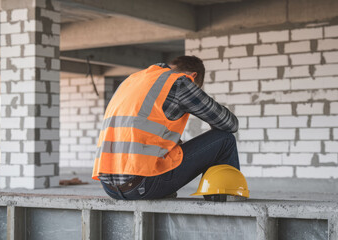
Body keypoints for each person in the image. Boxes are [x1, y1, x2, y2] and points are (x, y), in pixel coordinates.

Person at [92, 55, 239, 200]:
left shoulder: (131, 81)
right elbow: (230, 124)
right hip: (142, 185)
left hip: (109, 187)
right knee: (224, 139)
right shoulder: (180, 82)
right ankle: (225, 201)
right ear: (193, 76)